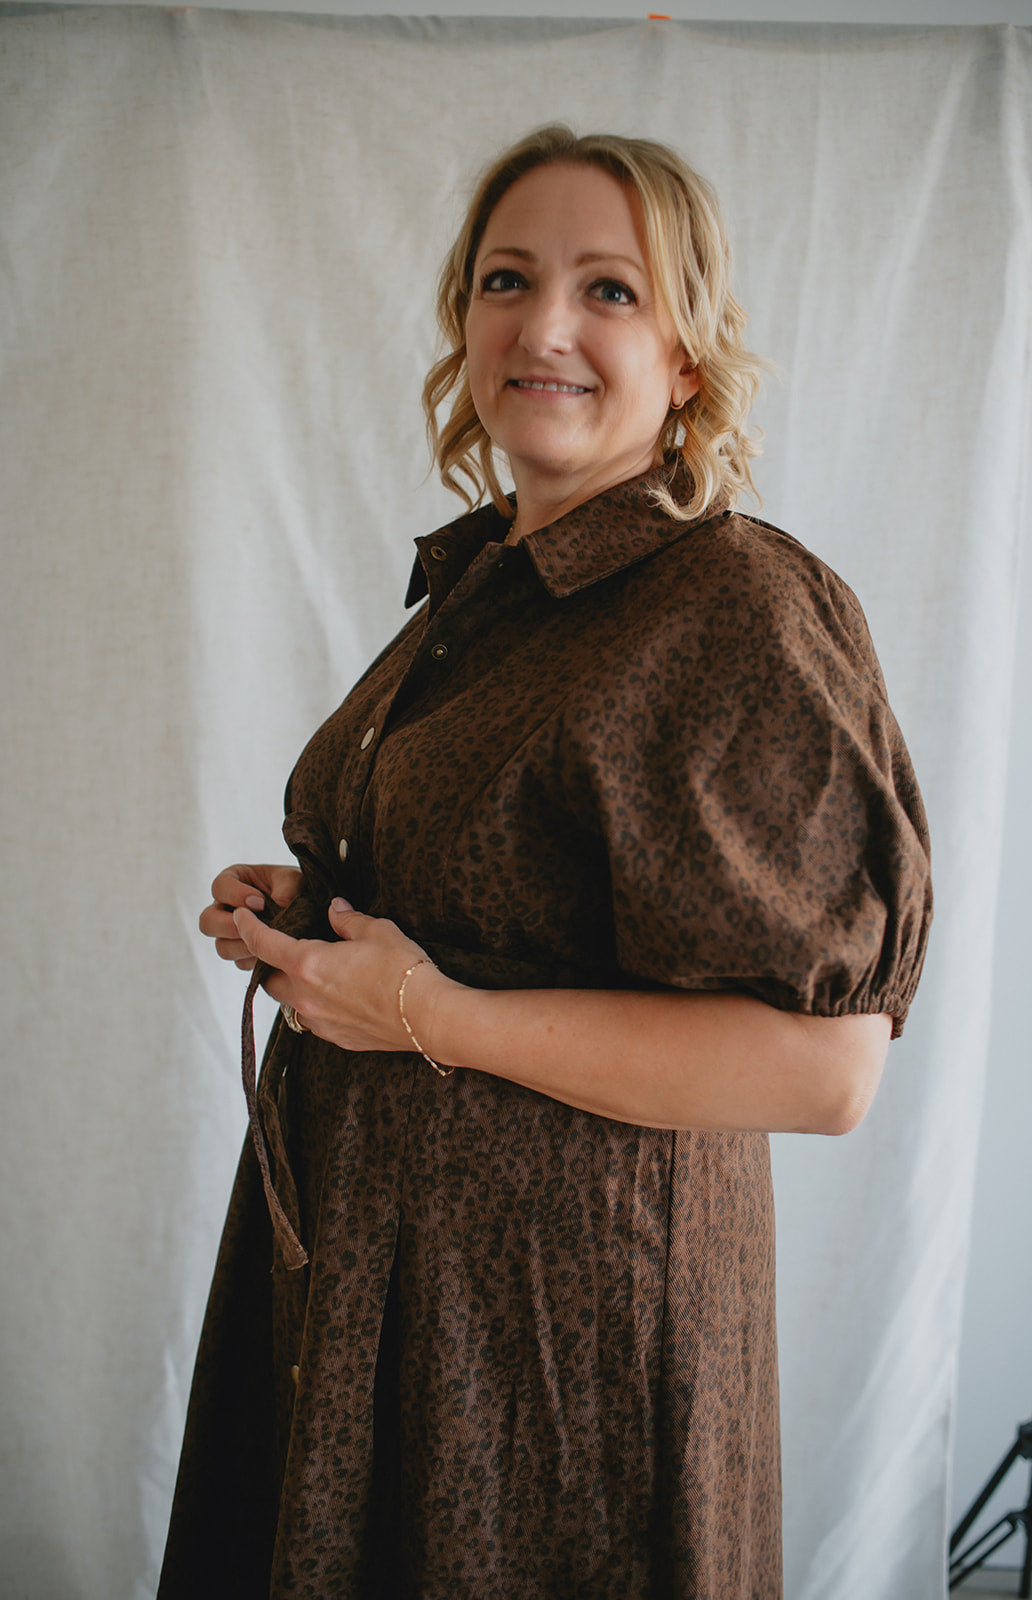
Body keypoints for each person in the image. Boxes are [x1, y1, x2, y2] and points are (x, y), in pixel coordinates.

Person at [158, 125, 932, 1600]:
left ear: (687, 357)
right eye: (506, 280)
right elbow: (523, 893)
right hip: (378, 1282)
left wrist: (426, 1012)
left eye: (610, 290)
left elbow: (825, 1070)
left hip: (561, 1336)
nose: (545, 327)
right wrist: (326, 911)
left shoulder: (734, 605)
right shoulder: (484, 587)